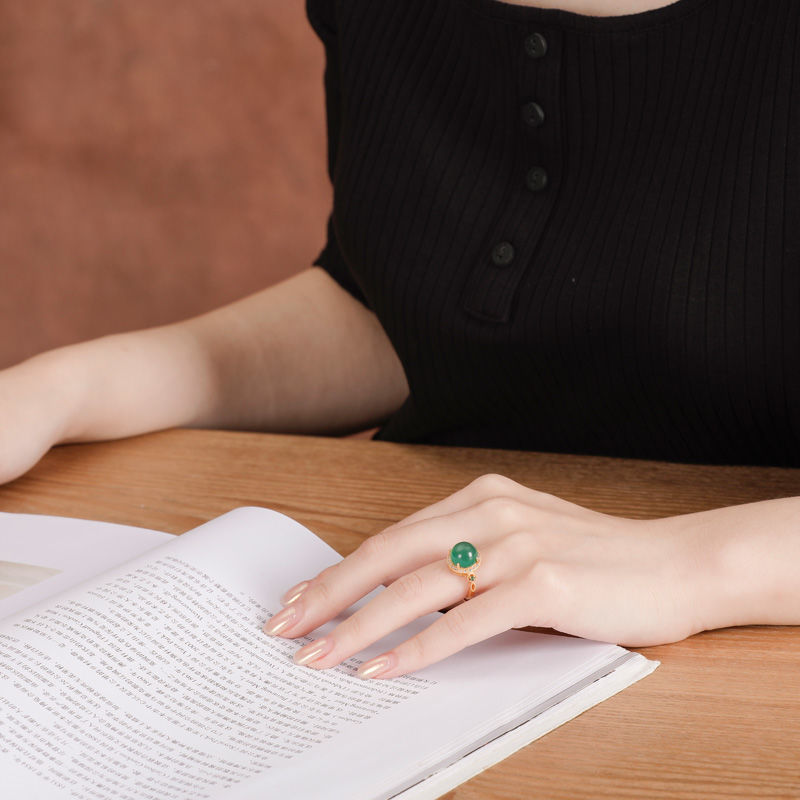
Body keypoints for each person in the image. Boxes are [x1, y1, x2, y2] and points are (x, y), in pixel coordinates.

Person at [2, 0, 799, 680]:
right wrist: (63, 390)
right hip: (438, 609)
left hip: (741, 648)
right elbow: (392, 311)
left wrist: (689, 564)